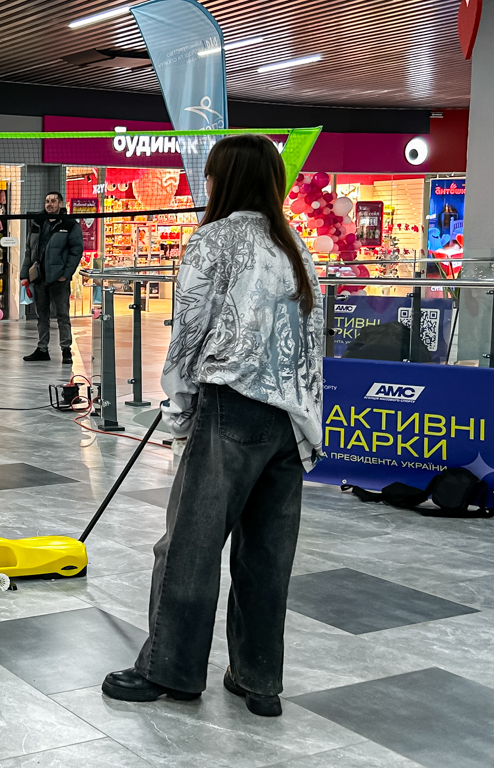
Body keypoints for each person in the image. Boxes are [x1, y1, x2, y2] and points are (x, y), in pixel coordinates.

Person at [102, 134, 324, 718]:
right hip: (291, 419)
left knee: (190, 546)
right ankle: (259, 680)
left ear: (223, 180)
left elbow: (188, 329)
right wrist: (310, 422)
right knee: (266, 556)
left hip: (232, 405)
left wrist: (178, 406)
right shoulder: (295, 244)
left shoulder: (213, 239)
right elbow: (312, 340)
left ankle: (170, 670)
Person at [21, 191, 81, 363]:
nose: (50, 204)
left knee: (62, 315)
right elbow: (29, 251)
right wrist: (25, 274)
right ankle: (42, 349)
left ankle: (66, 350)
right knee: (42, 316)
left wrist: (66, 274)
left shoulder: (70, 225)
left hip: (58, 279)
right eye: (47, 201)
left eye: (54, 201)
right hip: (39, 278)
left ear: (61, 204)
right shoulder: (37, 223)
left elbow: (76, 252)